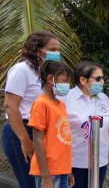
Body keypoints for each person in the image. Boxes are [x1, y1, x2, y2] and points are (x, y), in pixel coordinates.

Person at [1, 31, 60, 188]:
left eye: (57, 50)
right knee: (30, 183)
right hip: (22, 132)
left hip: (43, 133)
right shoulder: (21, 70)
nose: (56, 54)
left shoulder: (48, 75)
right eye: (52, 49)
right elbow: (10, 106)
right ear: (37, 50)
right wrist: (25, 141)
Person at [63, 61, 109, 188]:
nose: (102, 82)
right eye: (98, 78)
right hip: (75, 161)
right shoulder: (67, 98)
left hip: (100, 160)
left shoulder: (103, 98)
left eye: (103, 78)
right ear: (83, 80)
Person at [28, 60, 74, 188]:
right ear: (50, 78)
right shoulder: (41, 104)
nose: (67, 85)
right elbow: (37, 141)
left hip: (62, 170)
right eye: (64, 81)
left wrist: (68, 170)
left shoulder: (61, 104)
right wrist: (45, 176)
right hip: (50, 172)